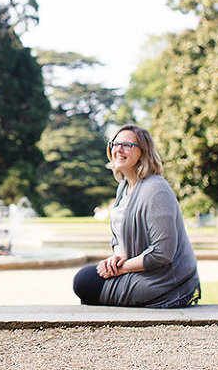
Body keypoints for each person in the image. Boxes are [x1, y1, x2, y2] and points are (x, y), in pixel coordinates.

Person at [73, 124, 201, 308]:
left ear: (143, 152)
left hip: (165, 280)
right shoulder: (124, 187)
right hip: (137, 269)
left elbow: (162, 253)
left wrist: (121, 269)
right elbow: (119, 238)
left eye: (126, 145)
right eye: (115, 144)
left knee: (86, 282)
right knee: (88, 283)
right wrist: (116, 260)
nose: (118, 149)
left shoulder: (156, 189)